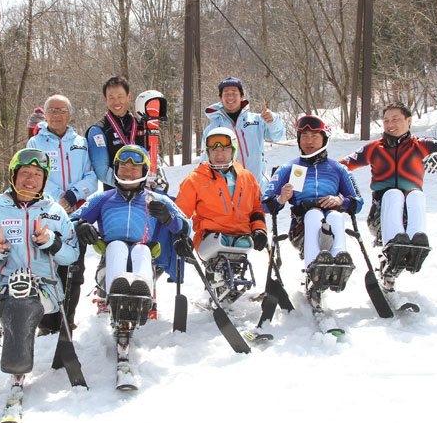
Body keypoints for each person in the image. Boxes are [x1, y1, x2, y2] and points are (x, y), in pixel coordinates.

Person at [70, 144, 189, 387]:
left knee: (141, 249)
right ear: (115, 170)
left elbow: (186, 226)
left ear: (144, 171)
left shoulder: (157, 199)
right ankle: (117, 299)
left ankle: (140, 298)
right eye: (123, 168)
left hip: (144, 264)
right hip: (109, 267)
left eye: (134, 168)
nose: (128, 172)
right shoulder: (103, 198)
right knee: (117, 246)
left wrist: (169, 218)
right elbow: (71, 219)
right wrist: (80, 225)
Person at [0, 148, 78, 397]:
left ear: (44, 179)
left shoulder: (54, 212)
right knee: (19, 295)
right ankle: (17, 369)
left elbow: (72, 254)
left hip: (46, 289)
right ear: (13, 176)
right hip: (4, 288)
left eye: (38, 174)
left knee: (25, 296)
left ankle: (18, 367)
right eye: (25, 173)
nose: (31, 179)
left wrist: (51, 242)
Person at [339, 102, 437, 306]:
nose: (390, 124)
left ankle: (417, 243)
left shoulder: (422, 145)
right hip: (381, 215)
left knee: (415, 194)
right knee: (393, 193)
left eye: (396, 119)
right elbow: (340, 166)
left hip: (410, 215)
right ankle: (394, 249)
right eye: (386, 120)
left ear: (409, 121)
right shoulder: (374, 148)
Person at [263, 116, 363, 312]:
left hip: (332, 229)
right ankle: (313, 271)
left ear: (324, 139)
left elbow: (358, 203)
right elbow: (265, 203)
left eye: (315, 136)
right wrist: (281, 199)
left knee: (335, 215)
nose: (309, 141)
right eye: (304, 136)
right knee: (314, 213)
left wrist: (341, 201)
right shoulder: (290, 168)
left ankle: (338, 264)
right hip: (301, 230)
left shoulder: (338, 169)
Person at [27, 94, 98, 335]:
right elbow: (33, 176)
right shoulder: (35, 143)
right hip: (46, 214)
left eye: (62, 110)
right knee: (48, 267)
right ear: (45, 115)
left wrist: (73, 195)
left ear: (69, 114)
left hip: (77, 213)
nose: (57, 114)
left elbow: (92, 176)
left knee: (74, 270)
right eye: (52, 110)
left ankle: (68, 318)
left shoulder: (81, 142)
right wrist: (59, 198)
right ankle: (48, 323)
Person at [174, 127, 267, 304]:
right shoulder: (196, 180)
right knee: (222, 247)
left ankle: (232, 289)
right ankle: (218, 283)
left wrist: (260, 230)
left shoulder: (247, 178)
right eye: (213, 150)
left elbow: (257, 209)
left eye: (224, 149)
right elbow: (180, 213)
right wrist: (180, 235)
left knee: (239, 246)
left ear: (233, 150)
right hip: (210, 237)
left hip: (242, 236)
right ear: (207, 152)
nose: (219, 154)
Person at [202, 76, 285, 191]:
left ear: (242, 96)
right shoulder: (213, 129)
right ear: (220, 98)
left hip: (259, 188)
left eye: (234, 92)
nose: (230, 97)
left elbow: (278, 136)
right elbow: (205, 162)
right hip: (229, 192)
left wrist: (273, 121)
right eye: (226, 93)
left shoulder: (258, 120)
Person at [86, 76, 166, 191]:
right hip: (115, 195)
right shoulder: (98, 130)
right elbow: (102, 170)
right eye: (111, 97)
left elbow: (153, 155)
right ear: (105, 99)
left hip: (144, 194)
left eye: (120, 96)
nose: (116, 102)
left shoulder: (141, 125)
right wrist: (130, 185)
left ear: (129, 96)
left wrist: (159, 176)